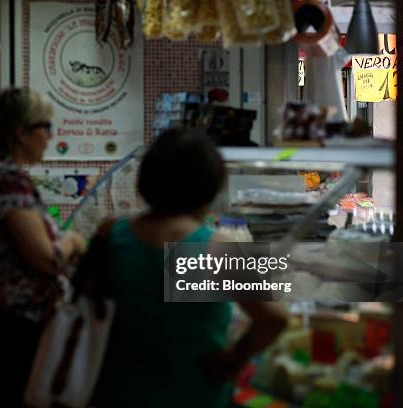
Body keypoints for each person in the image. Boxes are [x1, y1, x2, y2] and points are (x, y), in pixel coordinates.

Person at [90, 129, 288, 407]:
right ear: (211, 186)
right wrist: (235, 358)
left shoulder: (112, 233)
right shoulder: (214, 247)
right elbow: (275, 318)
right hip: (194, 392)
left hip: (117, 391)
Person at [0, 88, 87, 407]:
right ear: (21, 132)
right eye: (45, 127)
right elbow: (45, 258)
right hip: (16, 324)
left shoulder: (0, 172)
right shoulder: (5, 179)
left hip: (9, 319)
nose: (50, 136)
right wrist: (73, 242)